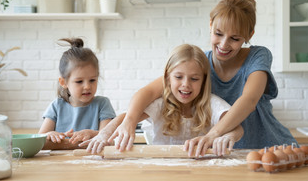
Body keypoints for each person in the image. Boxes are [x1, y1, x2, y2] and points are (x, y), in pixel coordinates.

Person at [85, 0, 297, 156]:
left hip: (267, 143)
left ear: (248, 36)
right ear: (210, 25)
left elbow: (249, 100)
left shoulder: (258, 56)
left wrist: (213, 134)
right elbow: (150, 92)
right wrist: (129, 122)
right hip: (226, 150)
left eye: (234, 38)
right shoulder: (199, 64)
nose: (223, 44)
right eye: (218, 34)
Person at [81, 44, 244, 156]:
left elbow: (237, 128)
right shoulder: (161, 104)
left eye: (194, 79)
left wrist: (227, 137)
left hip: (202, 171)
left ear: (204, 80)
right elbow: (124, 118)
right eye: (179, 77)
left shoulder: (211, 103)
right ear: (167, 78)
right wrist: (104, 135)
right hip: (162, 169)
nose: (186, 85)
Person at [38, 37, 116, 149]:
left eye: (92, 80)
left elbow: (109, 139)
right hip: (60, 163)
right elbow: (39, 140)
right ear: (63, 82)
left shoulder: (103, 104)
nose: (87, 86)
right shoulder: (56, 106)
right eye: (79, 81)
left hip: (93, 162)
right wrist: (48, 135)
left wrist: (93, 134)